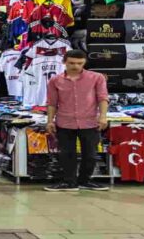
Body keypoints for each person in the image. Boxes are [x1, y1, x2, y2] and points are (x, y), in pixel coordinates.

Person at [44, 50, 109, 192]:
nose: (76, 66)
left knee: (90, 154)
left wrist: (103, 116)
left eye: (80, 63)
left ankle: (85, 180)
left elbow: (102, 98)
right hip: (64, 121)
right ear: (64, 62)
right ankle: (69, 182)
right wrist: (50, 121)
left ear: (85, 62)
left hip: (90, 121)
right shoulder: (55, 80)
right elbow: (52, 103)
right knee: (66, 153)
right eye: (72, 63)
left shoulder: (96, 78)